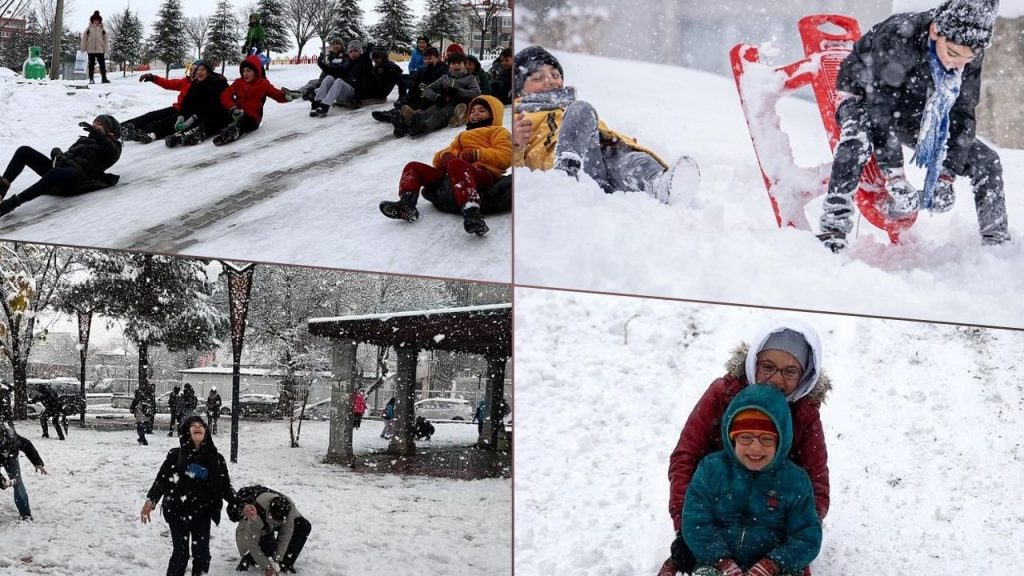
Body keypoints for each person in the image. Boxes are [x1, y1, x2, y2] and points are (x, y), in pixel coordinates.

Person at [818, 0, 1008, 252]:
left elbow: (962, 112)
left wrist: (946, 174)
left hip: (917, 108)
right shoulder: (899, 35)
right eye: (952, 53)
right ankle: (833, 228)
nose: (958, 65)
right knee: (858, 139)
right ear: (934, 32)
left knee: (987, 159)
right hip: (864, 96)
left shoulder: (968, 45)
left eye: (968, 58)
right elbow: (881, 110)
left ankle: (997, 246)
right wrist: (894, 177)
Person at [658, 321, 831, 576]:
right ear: (754, 362)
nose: (776, 380)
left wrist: (787, 547)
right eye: (768, 367)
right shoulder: (723, 393)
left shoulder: (805, 414)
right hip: (718, 505)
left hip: (772, 517)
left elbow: (815, 486)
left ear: (804, 375)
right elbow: (686, 457)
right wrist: (687, 526)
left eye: (790, 371)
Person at [513, 45, 698, 205]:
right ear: (519, 88)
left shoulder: (569, 108)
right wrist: (516, 146)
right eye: (538, 77)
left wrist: (622, 142)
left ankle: (659, 184)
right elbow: (517, 178)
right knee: (582, 109)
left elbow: (599, 132)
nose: (550, 80)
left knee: (632, 161)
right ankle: (567, 173)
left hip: (599, 160)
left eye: (555, 74)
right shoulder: (519, 117)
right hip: (561, 166)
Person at [678, 385, 822, 576]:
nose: (755, 447)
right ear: (732, 438)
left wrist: (774, 563)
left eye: (766, 439)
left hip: (774, 566)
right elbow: (695, 521)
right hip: (715, 563)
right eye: (745, 437)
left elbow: (807, 536)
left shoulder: (795, 481)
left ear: (780, 441)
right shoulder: (711, 469)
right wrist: (720, 559)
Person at [380, 95, 511, 236]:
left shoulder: (498, 132)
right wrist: (444, 156)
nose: (476, 114)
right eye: (472, 111)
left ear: (494, 114)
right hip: (455, 173)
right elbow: (439, 159)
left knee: (456, 164)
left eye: (482, 111)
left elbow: (506, 156)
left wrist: (476, 154)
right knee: (414, 167)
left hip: (483, 174)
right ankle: (406, 204)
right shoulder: (462, 136)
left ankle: (472, 213)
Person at [141, 415, 241, 576]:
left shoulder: (216, 459)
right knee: (181, 553)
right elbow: (162, 480)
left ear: (206, 431)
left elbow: (224, 487)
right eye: (193, 425)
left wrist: (241, 504)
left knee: (202, 555)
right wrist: (151, 500)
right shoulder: (176, 455)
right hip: (177, 510)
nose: (197, 427)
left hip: (202, 512)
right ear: (187, 432)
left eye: (201, 425)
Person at [0, 115, 122, 217]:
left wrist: (98, 135)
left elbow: (111, 150)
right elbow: (68, 158)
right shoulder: (84, 140)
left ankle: (11, 204)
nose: (95, 125)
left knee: (55, 173)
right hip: (61, 172)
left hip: (75, 179)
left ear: (109, 130)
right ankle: (2, 189)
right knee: (24, 151)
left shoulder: (114, 148)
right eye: (94, 122)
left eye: (99, 124)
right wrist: (57, 153)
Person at [394, 51, 481, 138]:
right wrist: (437, 97)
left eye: (459, 63)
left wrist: (458, 91)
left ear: (464, 65)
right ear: (449, 65)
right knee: (429, 112)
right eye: (453, 63)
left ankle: (423, 127)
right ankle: (409, 123)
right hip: (443, 101)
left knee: (439, 115)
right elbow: (427, 89)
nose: (456, 65)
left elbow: (477, 92)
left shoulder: (470, 78)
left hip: (457, 104)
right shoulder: (444, 78)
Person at [216, 55, 295, 146]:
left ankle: (231, 133)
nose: (245, 73)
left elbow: (276, 94)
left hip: (253, 117)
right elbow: (225, 95)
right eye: (243, 71)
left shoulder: (263, 84)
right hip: (237, 112)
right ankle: (205, 130)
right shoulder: (238, 83)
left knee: (243, 122)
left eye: (248, 71)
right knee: (220, 117)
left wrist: (286, 96)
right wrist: (232, 107)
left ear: (256, 72)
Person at [231, 487, 312, 574]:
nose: (278, 522)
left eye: (280, 520)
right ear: (270, 512)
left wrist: (276, 561)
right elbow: (252, 543)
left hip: (268, 523)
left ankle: (285, 563)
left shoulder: (288, 510)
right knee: (269, 546)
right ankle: (248, 558)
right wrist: (267, 567)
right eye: (276, 519)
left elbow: (285, 535)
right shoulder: (256, 511)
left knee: (304, 526)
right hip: (247, 534)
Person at [164, 60, 230, 148]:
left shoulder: (216, 83)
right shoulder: (196, 83)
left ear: (208, 72)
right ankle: (178, 136)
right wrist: (181, 116)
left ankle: (199, 133)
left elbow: (208, 105)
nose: (199, 72)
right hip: (203, 112)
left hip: (221, 112)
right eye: (198, 70)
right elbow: (187, 101)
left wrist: (192, 118)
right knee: (191, 117)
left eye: (202, 70)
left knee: (208, 119)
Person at [123, 67, 196, 144]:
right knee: (152, 115)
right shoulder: (186, 82)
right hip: (177, 108)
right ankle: (124, 127)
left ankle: (141, 131)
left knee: (161, 121)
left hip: (187, 113)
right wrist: (153, 78)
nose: (192, 72)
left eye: (195, 70)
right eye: (191, 70)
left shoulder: (203, 85)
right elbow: (169, 83)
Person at [309, 40, 370, 116]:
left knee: (339, 81)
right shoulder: (348, 64)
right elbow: (334, 70)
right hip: (342, 93)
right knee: (329, 78)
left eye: (355, 51)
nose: (353, 53)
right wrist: (321, 64)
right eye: (350, 51)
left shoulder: (364, 64)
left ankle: (325, 106)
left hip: (353, 94)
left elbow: (368, 68)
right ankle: (316, 103)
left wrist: (367, 55)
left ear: (360, 52)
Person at [0, 423, 47, 521]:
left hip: (12, 458)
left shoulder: (12, 437)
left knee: (18, 482)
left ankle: (25, 514)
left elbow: (27, 446)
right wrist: (2, 482)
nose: (5, 453)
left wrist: (37, 462)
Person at [299, 37, 345, 101]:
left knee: (319, 84)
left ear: (341, 45)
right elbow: (325, 68)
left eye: (338, 44)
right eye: (333, 44)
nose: (335, 46)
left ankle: (312, 93)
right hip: (324, 77)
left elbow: (335, 70)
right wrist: (321, 61)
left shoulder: (344, 56)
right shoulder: (329, 57)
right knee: (312, 82)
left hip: (333, 80)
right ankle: (301, 91)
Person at [81, 11, 109, 84]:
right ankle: (91, 79)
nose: (96, 21)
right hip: (91, 49)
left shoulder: (102, 29)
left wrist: (105, 50)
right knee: (91, 65)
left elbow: (106, 39)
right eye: (94, 20)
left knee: (102, 64)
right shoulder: (89, 28)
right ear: (92, 20)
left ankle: (104, 78)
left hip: (100, 50)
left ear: (99, 21)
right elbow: (84, 38)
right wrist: (83, 48)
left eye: (97, 20)